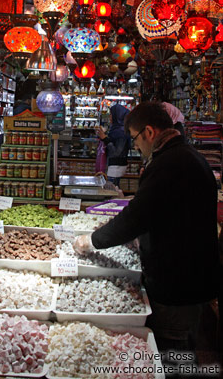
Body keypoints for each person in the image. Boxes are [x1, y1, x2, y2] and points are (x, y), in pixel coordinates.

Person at [74, 102, 219, 366]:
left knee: (173, 354)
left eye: (135, 139)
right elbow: (161, 212)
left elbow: (137, 215)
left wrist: (92, 241)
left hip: (179, 283)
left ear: (149, 132)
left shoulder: (170, 163)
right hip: (189, 277)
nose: (136, 146)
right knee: (179, 347)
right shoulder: (186, 156)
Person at [96, 103, 131, 186]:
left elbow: (116, 152)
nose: (110, 117)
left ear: (117, 116)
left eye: (111, 114)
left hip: (116, 168)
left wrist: (105, 138)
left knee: (112, 192)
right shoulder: (116, 130)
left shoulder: (121, 132)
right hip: (114, 167)